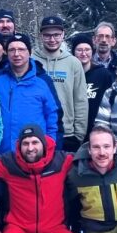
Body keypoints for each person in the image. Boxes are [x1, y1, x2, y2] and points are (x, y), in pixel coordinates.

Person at [0, 33, 61, 153]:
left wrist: (50, 144)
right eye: (12, 50)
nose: (16, 54)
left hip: (33, 152)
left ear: (29, 52)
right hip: (2, 153)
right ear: (6, 53)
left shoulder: (43, 81)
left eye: (21, 49)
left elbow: (53, 116)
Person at [34, 15, 89, 151]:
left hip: (67, 133)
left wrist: (79, 135)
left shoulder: (73, 63)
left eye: (56, 35)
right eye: (47, 35)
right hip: (37, 132)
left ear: (63, 35)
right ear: (41, 36)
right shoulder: (31, 60)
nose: (52, 39)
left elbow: (80, 100)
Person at [71, 34, 114, 140]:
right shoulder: (68, 75)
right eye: (79, 50)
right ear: (73, 52)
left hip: (96, 130)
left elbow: (111, 103)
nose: (83, 53)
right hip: (72, 131)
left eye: (87, 49)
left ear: (92, 51)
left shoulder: (103, 74)